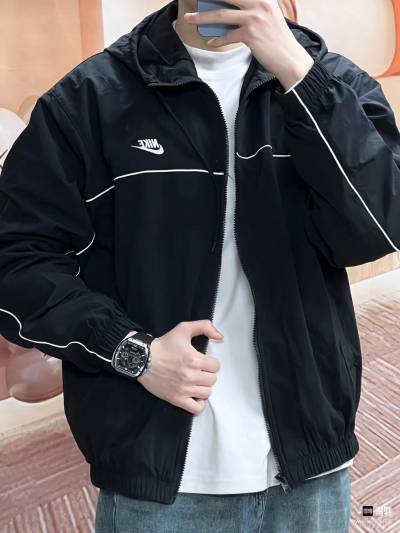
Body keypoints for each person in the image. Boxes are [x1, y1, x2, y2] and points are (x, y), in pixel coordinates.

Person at [0, 0, 399, 531]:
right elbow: (18, 260)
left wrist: (297, 74)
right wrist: (132, 351)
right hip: (160, 466)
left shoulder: (331, 82)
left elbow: (378, 226)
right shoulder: (89, 99)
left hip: (310, 455)